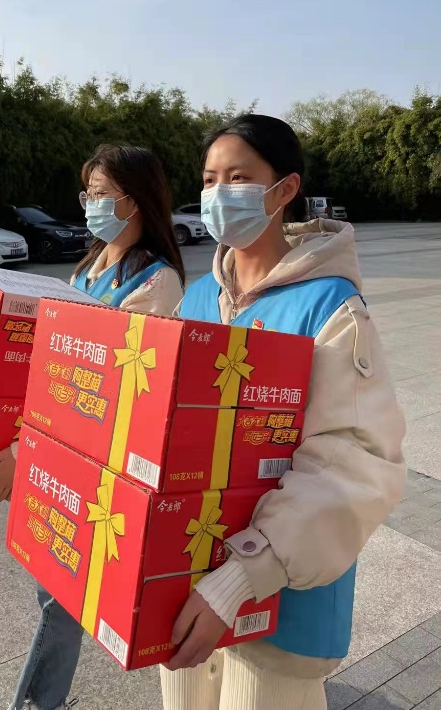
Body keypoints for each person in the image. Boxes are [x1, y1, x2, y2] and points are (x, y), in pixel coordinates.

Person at [159, 115, 406, 710]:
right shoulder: (197, 298)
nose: (219, 193)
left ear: (284, 188)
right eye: (209, 180)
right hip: (180, 580)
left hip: (280, 603)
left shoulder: (329, 305)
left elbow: (356, 462)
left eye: (239, 178)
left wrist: (239, 579)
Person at [0, 144, 185, 710]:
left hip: (91, 461)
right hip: (52, 446)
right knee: (56, 590)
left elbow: (113, 398)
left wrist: (23, 452)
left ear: (134, 201)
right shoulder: (88, 268)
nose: (90, 204)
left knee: (59, 597)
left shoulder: (155, 282)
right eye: (87, 193)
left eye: (100, 194)